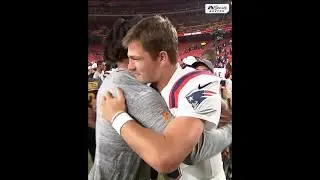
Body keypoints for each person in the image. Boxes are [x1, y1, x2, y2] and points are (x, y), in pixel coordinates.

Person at [89, 17, 232, 180]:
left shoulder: (199, 83)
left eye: (135, 58)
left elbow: (188, 152)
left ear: (162, 57)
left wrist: (117, 117)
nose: (130, 66)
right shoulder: (146, 87)